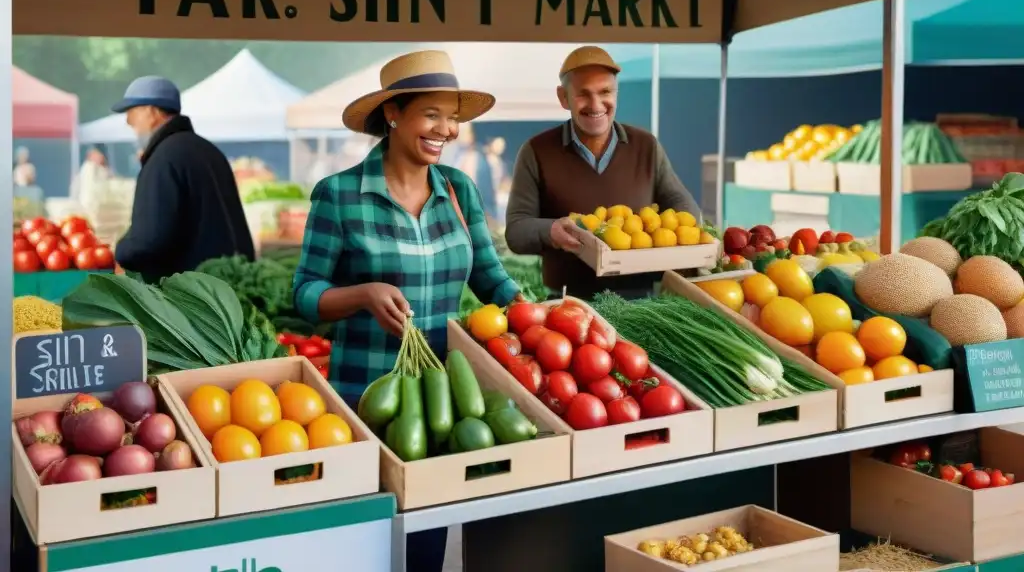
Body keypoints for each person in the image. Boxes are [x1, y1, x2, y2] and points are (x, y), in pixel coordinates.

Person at [291, 50, 522, 572]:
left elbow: (489, 275)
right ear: (393, 114)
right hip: (364, 397)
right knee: (365, 546)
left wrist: (535, 311)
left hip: (441, 397)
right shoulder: (340, 195)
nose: (447, 129)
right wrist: (362, 294)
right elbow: (304, 295)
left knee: (424, 549)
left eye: (453, 116)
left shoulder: (458, 189)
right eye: (432, 114)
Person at [505, 45, 701, 300]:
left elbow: (684, 208)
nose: (596, 104)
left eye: (605, 92)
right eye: (583, 94)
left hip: (642, 304)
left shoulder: (646, 146)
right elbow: (516, 230)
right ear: (563, 97)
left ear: (616, 93)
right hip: (567, 304)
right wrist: (551, 231)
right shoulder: (536, 151)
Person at [111, 76, 254, 283]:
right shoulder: (209, 151)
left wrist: (121, 251)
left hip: (190, 297)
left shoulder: (163, 158)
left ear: (151, 112)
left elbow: (149, 240)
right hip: (226, 287)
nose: (128, 122)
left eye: (132, 113)